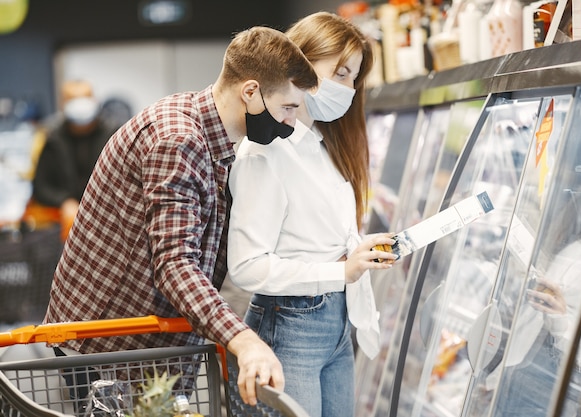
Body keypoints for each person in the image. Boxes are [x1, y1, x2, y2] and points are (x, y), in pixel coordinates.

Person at [43, 26, 318, 407]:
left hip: (141, 346)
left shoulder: (211, 134)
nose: (289, 122)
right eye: (287, 107)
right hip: (107, 347)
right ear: (251, 92)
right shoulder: (178, 139)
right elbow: (174, 263)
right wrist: (245, 341)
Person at [227, 12, 397, 417]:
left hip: (336, 323)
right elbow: (247, 267)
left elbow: (312, 236)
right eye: (340, 72)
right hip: (290, 324)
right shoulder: (264, 152)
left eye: (354, 78)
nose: (348, 89)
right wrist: (340, 271)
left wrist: (357, 251)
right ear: (301, 61)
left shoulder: (323, 145)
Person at [31, 79, 119, 241]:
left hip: (110, 223)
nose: (80, 104)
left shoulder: (114, 134)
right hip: (63, 229)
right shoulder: (52, 139)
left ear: (94, 100)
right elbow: (41, 187)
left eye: (84, 97)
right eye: (73, 99)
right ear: (63, 103)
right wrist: (64, 201)